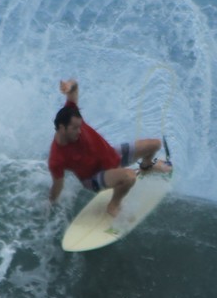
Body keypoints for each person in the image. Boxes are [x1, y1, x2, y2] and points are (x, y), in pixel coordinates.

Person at [48, 78, 171, 217]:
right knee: (129, 177)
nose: (80, 131)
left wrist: (69, 86)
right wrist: (50, 204)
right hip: (95, 176)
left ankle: (146, 167)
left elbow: (74, 88)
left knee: (154, 144)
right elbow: (57, 186)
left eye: (80, 126)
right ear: (61, 128)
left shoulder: (71, 113)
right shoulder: (57, 158)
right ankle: (114, 204)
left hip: (111, 155)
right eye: (75, 128)